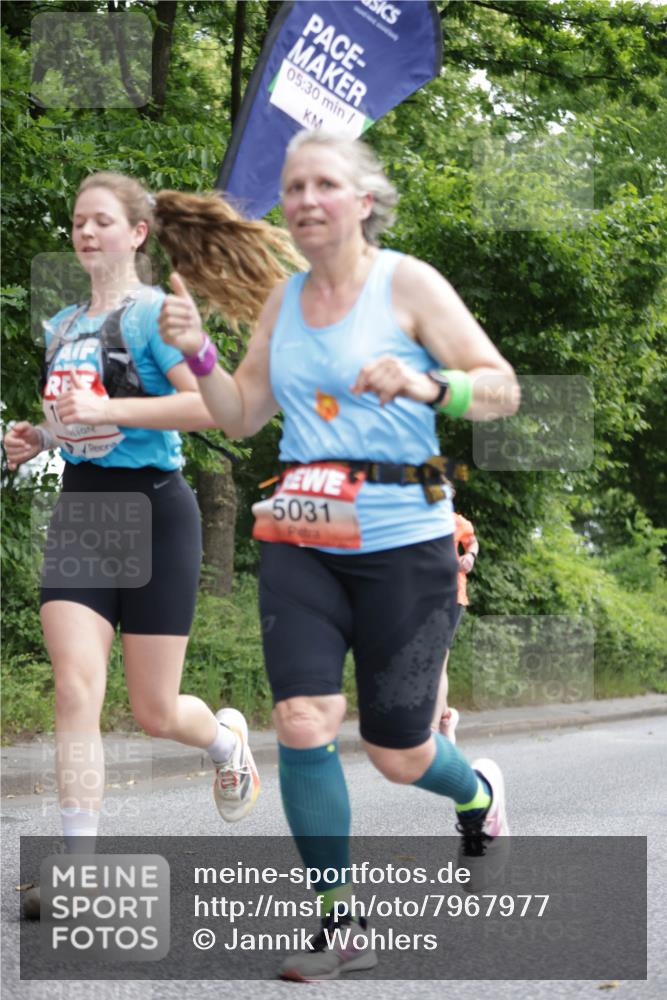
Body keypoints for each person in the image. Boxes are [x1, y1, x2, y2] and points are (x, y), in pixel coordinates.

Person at [159, 130, 520, 981]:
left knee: (399, 754)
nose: (307, 198)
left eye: (325, 183)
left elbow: (500, 387)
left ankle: (477, 796)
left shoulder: (409, 284)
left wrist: (430, 384)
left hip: (405, 541)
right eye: (293, 186)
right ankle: (337, 921)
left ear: (363, 201)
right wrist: (197, 354)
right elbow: (241, 414)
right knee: (302, 722)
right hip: (302, 539)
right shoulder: (282, 301)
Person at [3, 172, 301, 916]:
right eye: (78, 221)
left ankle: (226, 745)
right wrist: (37, 436)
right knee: (74, 688)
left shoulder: (148, 315)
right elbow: (80, 421)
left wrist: (113, 406)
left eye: (102, 220)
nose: (86, 231)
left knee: (155, 711)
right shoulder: (62, 325)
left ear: (137, 233)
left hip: (156, 512)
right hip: (82, 512)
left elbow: (211, 406)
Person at [431, 511, 479, 742]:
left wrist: (470, 555)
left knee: (439, 657)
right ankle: (446, 718)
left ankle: (431, 731)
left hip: (451, 594)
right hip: (420, 596)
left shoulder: (456, 521)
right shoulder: (413, 517)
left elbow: (472, 541)